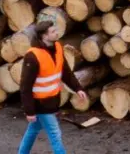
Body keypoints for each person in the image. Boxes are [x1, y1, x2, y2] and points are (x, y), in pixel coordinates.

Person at [18, 12, 88, 154]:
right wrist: (29, 111)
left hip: (52, 101)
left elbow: (66, 72)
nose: (57, 33)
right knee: (55, 133)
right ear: (44, 36)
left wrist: (78, 88)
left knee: (33, 130)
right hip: (40, 104)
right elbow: (25, 87)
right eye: (53, 31)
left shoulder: (57, 48)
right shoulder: (33, 56)